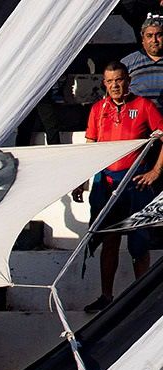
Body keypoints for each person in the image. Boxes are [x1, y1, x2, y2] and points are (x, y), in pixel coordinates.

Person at [73, 61, 163, 313]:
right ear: (104, 83)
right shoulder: (98, 109)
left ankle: (142, 298)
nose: (115, 86)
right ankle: (106, 296)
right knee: (108, 238)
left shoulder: (143, 106)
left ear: (128, 80)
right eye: (110, 81)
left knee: (139, 240)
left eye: (119, 80)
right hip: (107, 182)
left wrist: (155, 171)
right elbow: (90, 147)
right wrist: (82, 180)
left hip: (135, 181)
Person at [122, 15, 163, 108]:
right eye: (149, 36)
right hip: (139, 118)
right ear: (143, 39)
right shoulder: (127, 62)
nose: (154, 40)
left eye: (159, 35)